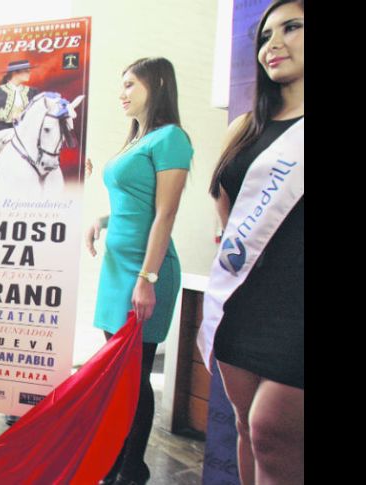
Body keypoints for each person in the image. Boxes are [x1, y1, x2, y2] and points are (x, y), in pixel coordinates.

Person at [199, 1, 304, 484]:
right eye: (264, 36)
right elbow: (225, 206)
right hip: (242, 305)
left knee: (270, 433)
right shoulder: (245, 127)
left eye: (292, 28)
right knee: (245, 428)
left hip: (297, 309)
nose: (273, 45)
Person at [85, 57, 193, 485]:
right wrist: (101, 221)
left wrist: (147, 279)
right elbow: (134, 206)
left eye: (130, 84)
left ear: (158, 84)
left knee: (134, 376)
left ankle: (132, 470)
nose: (122, 93)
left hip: (145, 272)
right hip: (117, 273)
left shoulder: (171, 138)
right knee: (118, 377)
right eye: (122, 84)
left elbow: (165, 214)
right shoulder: (137, 140)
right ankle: (116, 460)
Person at [0, 60, 40, 157]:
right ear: (14, 73)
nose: (29, 73)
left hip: (25, 132)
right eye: (26, 71)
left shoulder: (32, 92)